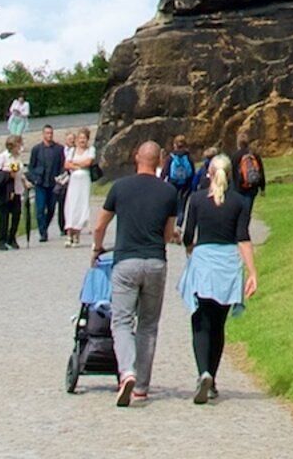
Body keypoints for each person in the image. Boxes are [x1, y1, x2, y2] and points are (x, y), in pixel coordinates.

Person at [90, 141, 184, 408]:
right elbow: (168, 235)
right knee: (148, 325)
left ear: (136, 157)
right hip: (155, 262)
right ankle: (141, 387)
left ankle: (127, 371)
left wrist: (97, 248)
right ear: (160, 161)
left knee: (121, 321)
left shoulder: (120, 187)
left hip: (126, 261)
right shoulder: (168, 191)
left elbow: (99, 226)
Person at [178, 151, 266, 406]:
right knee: (218, 324)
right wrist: (252, 272)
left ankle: (203, 372)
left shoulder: (196, 200)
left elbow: (188, 235)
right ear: (231, 175)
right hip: (228, 264)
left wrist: (189, 251)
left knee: (200, 320)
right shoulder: (239, 202)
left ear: (208, 173)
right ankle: (212, 379)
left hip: (204, 261)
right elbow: (242, 237)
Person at [26, 126, 67, 243]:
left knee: (51, 209)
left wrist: (60, 177)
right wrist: (34, 178)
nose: (49, 135)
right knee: (40, 209)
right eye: (47, 133)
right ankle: (42, 232)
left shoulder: (59, 149)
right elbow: (31, 166)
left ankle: (45, 226)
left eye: (51, 133)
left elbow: (62, 165)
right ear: (43, 134)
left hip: (53, 183)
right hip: (40, 183)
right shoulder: (37, 149)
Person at [0, 146, 24, 250]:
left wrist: (25, 181)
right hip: (4, 191)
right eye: (18, 145)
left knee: (16, 214)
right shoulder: (3, 157)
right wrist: (8, 173)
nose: (20, 148)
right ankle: (1, 240)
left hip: (17, 190)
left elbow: (20, 173)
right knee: (4, 216)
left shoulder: (17, 158)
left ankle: (11, 237)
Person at [62, 130, 97, 238]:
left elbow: (88, 162)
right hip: (74, 180)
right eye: (80, 138)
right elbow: (67, 165)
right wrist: (77, 165)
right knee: (71, 203)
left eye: (84, 138)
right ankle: (69, 231)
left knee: (82, 204)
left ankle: (78, 230)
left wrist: (75, 163)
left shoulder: (91, 150)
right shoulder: (72, 151)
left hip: (84, 180)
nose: (82, 140)